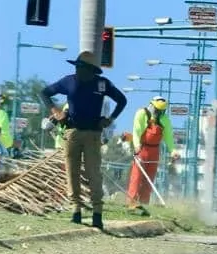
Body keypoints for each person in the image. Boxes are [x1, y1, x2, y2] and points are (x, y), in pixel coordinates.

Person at [42, 51, 127, 230]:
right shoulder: (68, 81)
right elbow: (44, 93)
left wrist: (110, 119)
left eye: (82, 68)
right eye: (77, 67)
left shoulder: (102, 84)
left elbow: (122, 100)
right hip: (72, 132)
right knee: (71, 171)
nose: (78, 71)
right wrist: (55, 111)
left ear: (91, 70)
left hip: (93, 134)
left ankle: (97, 212)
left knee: (93, 172)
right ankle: (76, 210)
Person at [127, 95, 176, 213]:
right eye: (157, 110)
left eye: (162, 111)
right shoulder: (142, 114)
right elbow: (137, 130)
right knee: (137, 177)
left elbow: (168, 136)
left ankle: (144, 203)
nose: (159, 113)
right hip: (142, 149)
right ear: (151, 106)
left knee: (149, 179)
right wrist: (137, 145)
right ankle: (131, 203)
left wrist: (173, 151)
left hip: (155, 151)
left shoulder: (165, 120)